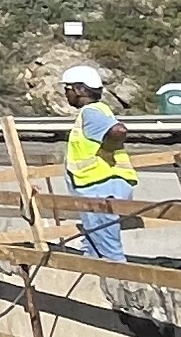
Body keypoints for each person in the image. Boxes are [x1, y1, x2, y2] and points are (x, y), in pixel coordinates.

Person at [56, 63, 136, 262]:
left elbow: (119, 131)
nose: (66, 95)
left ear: (80, 90)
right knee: (93, 246)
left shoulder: (91, 113)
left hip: (100, 188)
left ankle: (122, 284)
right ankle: (96, 282)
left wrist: (107, 147)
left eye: (67, 89)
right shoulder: (100, 111)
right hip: (100, 188)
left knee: (110, 252)